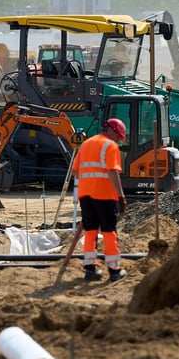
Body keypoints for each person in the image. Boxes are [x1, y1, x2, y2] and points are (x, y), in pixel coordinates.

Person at [72, 118, 128, 282]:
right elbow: (112, 172)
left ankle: (90, 270)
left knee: (90, 231)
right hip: (104, 195)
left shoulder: (86, 144)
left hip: (85, 195)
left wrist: (89, 181)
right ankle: (114, 270)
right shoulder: (110, 146)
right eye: (118, 136)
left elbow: (75, 172)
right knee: (109, 231)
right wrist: (121, 196)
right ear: (110, 130)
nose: (118, 140)